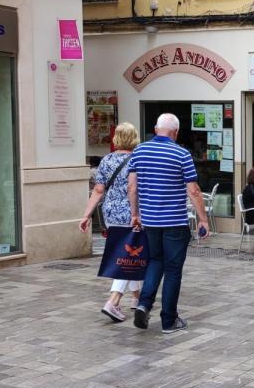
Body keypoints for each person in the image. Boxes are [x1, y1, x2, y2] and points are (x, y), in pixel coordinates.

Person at [129, 113, 209, 334]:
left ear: (156, 129)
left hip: (151, 222)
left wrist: (135, 214)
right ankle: (168, 321)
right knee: (173, 270)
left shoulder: (139, 151)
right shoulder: (181, 154)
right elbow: (193, 190)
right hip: (174, 222)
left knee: (155, 261)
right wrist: (203, 219)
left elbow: (132, 187)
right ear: (175, 132)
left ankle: (144, 304)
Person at [79, 123, 142, 322]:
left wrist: (86, 215)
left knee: (129, 253)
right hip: (130, 214)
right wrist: (135, 213)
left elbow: (98, 190)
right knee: (128, 258)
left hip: (110, 214)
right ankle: (113, 302)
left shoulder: (106, 160)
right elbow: (133, 189)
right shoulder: (137, 159)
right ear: (134, 138)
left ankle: (136, 298)